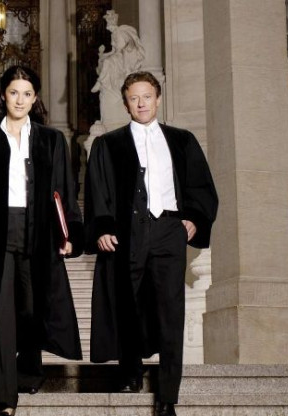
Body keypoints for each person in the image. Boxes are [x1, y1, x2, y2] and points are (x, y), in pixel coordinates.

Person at [84, 71, 218, 416]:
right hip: (127, 231)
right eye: (134, 98)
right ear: (126, 103)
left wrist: (194, 218)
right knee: (127, 303)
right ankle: (130, 372)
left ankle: (168, 396)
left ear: (158, 99)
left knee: (171, 310)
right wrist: (102, 226)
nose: (141, 103)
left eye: (147, 96)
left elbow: (201, 185)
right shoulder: (109, 144)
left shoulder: (182, 140)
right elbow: (97, 189)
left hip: (169, 230)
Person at [0, 65, 84, 416]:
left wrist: (70, 233)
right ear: (3, 95)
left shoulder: (50, 140)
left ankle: (29, 369)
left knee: (31, 306)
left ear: (35, 98)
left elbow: (65, 189)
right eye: (14, 92)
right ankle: (4, 398)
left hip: (38, 231)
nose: (20, 100)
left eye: (27, 94)